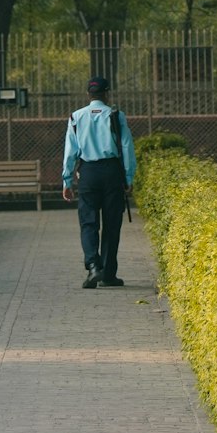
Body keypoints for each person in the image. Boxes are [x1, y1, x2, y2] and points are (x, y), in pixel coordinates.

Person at [62, 75, 136, 289]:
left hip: (88, 173)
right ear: (106, 93)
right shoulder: (116, 115)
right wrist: (128, 176)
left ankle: (93, 266)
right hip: (112, 172)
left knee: (88, 222)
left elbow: (70, 152)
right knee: (112, 224)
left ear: (88, 94)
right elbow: (126, 148)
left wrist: (67, 180)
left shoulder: (76, 117)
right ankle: (109, 273)